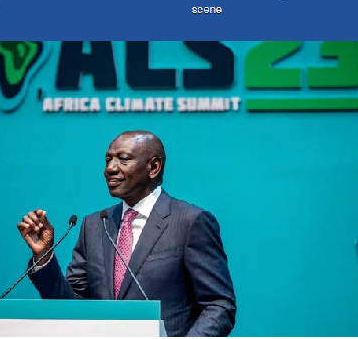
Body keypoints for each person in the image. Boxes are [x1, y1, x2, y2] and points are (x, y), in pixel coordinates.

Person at [17, 130, 236, 336]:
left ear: (153, 167)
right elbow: (71, 307)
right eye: (107, 160)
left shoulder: (189, 222)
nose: (110, 168)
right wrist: (44, 256)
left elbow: (219, 305)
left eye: (123, 159)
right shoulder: (94, 225)